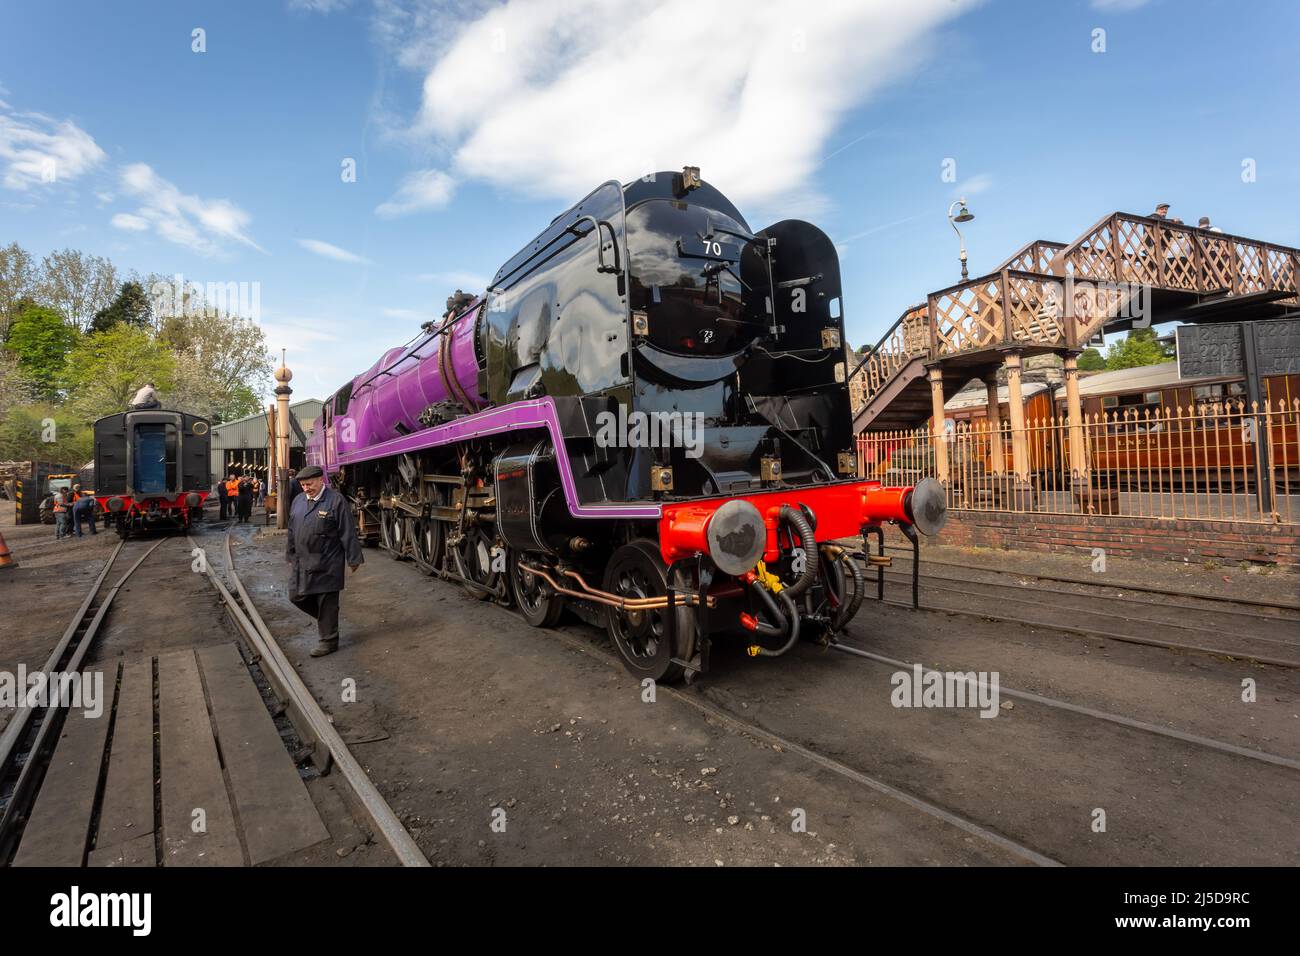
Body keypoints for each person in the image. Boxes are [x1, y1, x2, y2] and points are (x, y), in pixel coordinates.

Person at [286, 465, 363, 657]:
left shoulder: (336, 501)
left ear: (321, 480)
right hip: (303, 560)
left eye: (310, 484)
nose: (306, 488)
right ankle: (328, 619)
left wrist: (353, 558)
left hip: (328, 561)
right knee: (296, 596)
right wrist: (290, 553)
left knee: (325, 600)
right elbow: (292, 529)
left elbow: (347, 531)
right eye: (303, 485)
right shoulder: (298, 501)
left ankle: (329, 641)